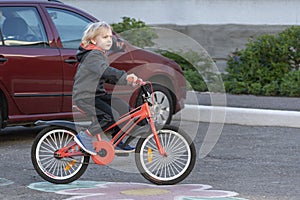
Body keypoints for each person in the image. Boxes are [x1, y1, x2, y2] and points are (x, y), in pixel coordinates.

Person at [72, 21, 138, 155]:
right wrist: (125, 76)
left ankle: (116, 138)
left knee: (124, 109)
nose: (109, 40)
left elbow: (107, 77)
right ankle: (85, 136)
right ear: (93, 40)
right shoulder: (92, 55)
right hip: (86, 97)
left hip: (97, 94)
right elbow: (105, 71)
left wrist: (128, 82)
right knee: (108, 116)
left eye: (110, 37)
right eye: (104, 37)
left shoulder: (100, 54)